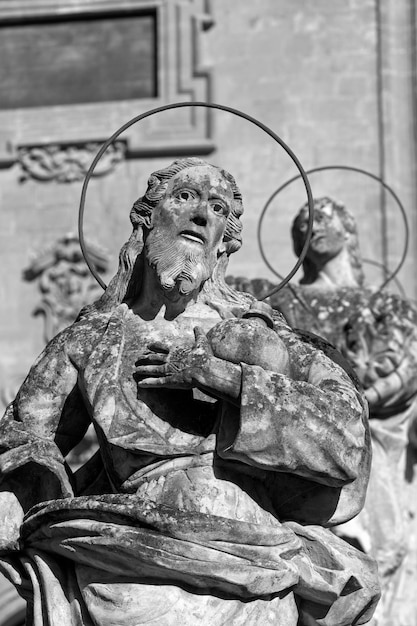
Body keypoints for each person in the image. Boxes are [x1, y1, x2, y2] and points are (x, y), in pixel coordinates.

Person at [0, 162, 379, 626]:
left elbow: (346, 438)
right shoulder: (93, 339)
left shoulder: (263, 338)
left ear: (224, 241)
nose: (201, 214)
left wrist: (229, 381)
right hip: (124, 566)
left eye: (217, 208)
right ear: (147, 217)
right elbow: (22, 439)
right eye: (183, 197)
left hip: (254, 569)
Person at [272, 196, 417, 624]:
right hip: (309, 434)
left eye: (324, 218)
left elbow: (409, 367)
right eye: (302, 222)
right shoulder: (285, 299)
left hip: (373, 435)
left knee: (388, 543)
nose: (311, 226)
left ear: (349, 230)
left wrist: (363, 400)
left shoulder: (388, 306)